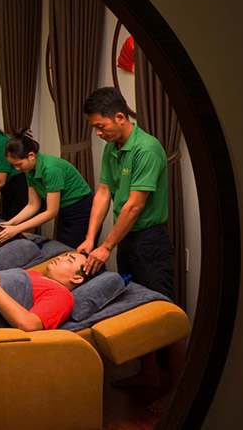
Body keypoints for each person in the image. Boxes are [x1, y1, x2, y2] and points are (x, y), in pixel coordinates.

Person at [78, 86, 180, 413]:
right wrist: (91, 239)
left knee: (163, 314)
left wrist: (106, 246)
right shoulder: (113, 148)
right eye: (94, 127)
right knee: (136, 310)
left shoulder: (146, 149)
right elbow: (103, 193)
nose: (98, 133)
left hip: (149, 239)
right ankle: (148, 374)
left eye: (100, 126)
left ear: (120, 117)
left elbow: (135, 206)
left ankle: (179, 389)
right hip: (126, 240)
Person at [0, 129, 94, 249]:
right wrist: (10, 223)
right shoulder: (29, 170)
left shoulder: (50, 169)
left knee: (74, 251)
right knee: (63, 249)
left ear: (31, 156)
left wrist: (17, 228)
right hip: (64, 211)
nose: (17, 169)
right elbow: (33, 205)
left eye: (19, 164)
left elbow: (51, 212)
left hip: (80, 211)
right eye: (14, 165)